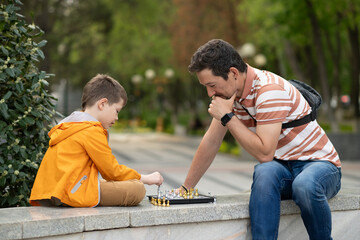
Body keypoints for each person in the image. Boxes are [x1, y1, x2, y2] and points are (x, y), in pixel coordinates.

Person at [180, 39, 341, 239]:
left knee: (305, 185)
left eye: (212, 85)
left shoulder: (269, 90)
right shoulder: (230, 96)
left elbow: (265, 153)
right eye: (205, 86)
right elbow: (211, 142)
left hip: (321, 167)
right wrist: (186, 189)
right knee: (265, 173)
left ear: (233, 73)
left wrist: (228, 118)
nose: (210, 93)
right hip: (284, 170)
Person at [30, 74, 163, 207]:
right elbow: (112, 171)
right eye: (116, 111)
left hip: (52, 192)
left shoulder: (71, 125)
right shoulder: (91, 130)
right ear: (102, 104)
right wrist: (146, 178)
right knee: (137, 189)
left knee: (126, 183)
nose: (116, 117)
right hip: (71, 193)